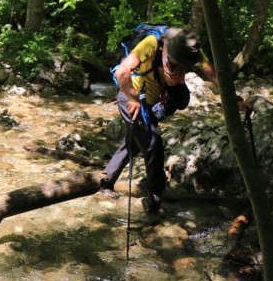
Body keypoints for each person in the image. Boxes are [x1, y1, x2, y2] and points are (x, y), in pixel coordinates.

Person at [100, 27, 247, 213]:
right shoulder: (152, 44)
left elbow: (214, 75)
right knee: (153, 143)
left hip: (154, 99)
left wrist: (236, 100)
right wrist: (132, 98)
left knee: (137, 140)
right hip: (133, 96)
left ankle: (105, 181)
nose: (181, 65)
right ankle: (154, 198)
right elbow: (122, 72)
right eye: (178, 60)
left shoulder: (191, 46)